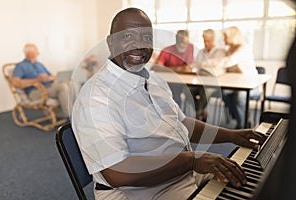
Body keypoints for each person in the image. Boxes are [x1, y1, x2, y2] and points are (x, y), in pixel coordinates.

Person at [72, 8, 265, 200]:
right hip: (141, 192)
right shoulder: (96, 97)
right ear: (111, 42)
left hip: (181, 176)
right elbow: (117, 173)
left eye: (146, 37)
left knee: (257, 184)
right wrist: (191, 160)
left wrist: (231, 135)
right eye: (128, 36)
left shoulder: (154, 80)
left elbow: (182, 123)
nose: (139, 44)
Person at [215, 26, 258, 129]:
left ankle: (242, 125)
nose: (223, 40)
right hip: (234, 84)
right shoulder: (229, 49)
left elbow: (228, 61)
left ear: (233, 37)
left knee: (239, 96)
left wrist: (210, 62)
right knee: (222, 92)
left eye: (225, 37)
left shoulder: (244, 48)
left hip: (251, 85)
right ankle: (241, 117)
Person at [12, 43, 69, 118]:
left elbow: (52, 76)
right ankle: (69, 117)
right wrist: (38, 79)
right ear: (30, 53)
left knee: (70, 83)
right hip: (35, 92)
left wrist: (49, 78)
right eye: (36, 51)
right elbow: (15, 83)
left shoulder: (39, 64)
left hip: (48, 87)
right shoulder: (21, 66)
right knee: (62, 87)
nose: (38, 53)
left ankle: (77, 113)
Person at [154, 30, 194, 110]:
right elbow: (157, 67)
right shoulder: (167, 50)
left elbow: (189, 66)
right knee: (175, 91)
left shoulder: (190, 47)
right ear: (176, 40)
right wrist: (177, 69)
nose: (183, 45)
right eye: (181, 42)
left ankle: (195, 115)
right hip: (169, 81)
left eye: (185, 42)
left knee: (195, 91)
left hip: (184, 81)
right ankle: (177, 116)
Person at [194, 29, 226, 120]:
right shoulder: (201, 52)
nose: (206, 43)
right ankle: (201, 111)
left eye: (208, 41)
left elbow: (220, 68)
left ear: (213, 40)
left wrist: (204, 65)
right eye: (205, 41)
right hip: (200, 80)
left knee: (204, 91)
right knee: (188, 89)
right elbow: (197, 65)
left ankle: (197, 115)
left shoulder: (220, 51)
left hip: (214, 83)